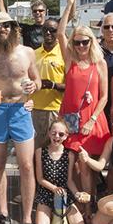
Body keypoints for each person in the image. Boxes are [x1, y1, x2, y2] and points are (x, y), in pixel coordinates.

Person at [0, 12, 41, 224]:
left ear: (13, 28)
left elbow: (38, 81)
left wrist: (33, 86)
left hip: (20, 111)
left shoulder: (27, 52)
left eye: (5, 25)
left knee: (26, 166)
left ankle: (26, 220)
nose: (1, 29)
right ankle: (2, 213)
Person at [56, 0, 110, 206]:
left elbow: (104, 96)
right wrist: (70, 3)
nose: (80, 46)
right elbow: (60, 34)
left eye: (84, 42)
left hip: (91, 121)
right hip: (70, 120)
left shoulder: (100, 64)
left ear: (91, 42)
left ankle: (89, 206)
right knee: (75, 165)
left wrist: (93, 119)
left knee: (88, 165)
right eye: (77, 42)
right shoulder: (70, 62)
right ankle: (79, 205)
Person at [34, 120, 86, 224]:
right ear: (49, 133)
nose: (57, 136)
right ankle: (53, 213)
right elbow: (40, 179)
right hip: (46, 193)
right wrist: (54, 189)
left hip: (65, 195)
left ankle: (60, 214)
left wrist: (77, 193)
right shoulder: (40, 152)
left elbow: (69, 180)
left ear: (66, 135)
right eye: (54, 133)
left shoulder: (70, 154)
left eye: (61, 134)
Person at [31, 19, 66, 149]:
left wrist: (53, 85)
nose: (48, 33)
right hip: (35, 109)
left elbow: (72, 86)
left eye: (52, 30)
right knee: (36, 149)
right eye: (45, 30)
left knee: (55, 149)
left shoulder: (64, 54)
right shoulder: (33, 54)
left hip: (56, 109)